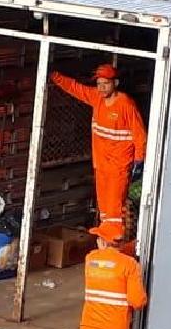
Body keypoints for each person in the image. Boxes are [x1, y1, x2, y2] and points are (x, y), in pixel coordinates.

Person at [50, 64, 147, 231]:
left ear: (115, 83)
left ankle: (113, 245)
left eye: (106, 83)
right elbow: (75, 88)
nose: (101, 88)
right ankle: (105, 241)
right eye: (99, 83)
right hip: (101, 165)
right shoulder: (96, 97)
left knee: (114, 212)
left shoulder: (126, 105)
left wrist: (139, 160)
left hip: (118, 167)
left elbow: (140, 136)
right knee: (105, 211)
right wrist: (54, 76)